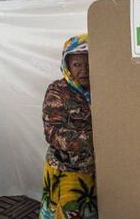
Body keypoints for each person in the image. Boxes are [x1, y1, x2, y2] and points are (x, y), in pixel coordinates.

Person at [39, 34, 98, 219]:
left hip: (95, 169)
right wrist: (96, 138)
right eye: (77, 65)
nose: (84, 70)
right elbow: (53, 132)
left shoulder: (102, 88)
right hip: (67, 171)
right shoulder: (58, 91)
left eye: (88, 64)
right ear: (68, 67)